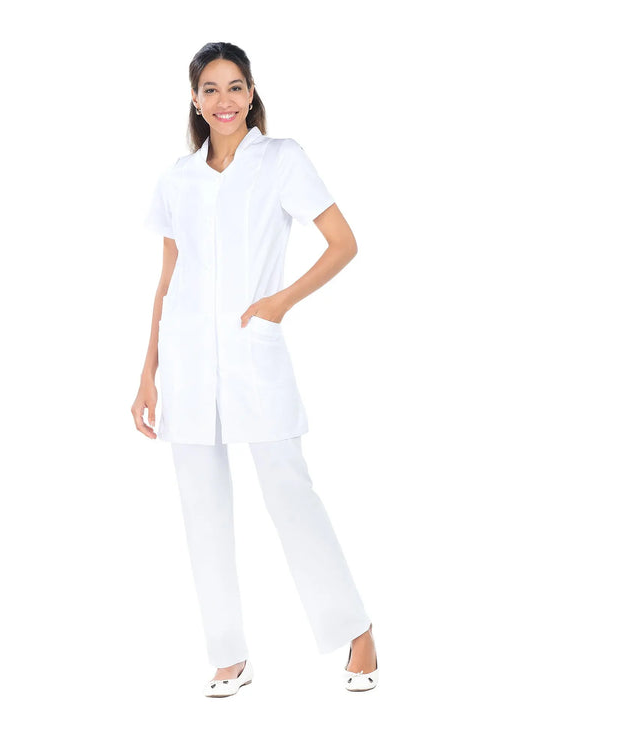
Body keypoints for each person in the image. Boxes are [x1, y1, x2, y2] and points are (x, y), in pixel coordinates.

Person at [132, 41, 378, 697]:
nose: (225, 100)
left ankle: (354, 629)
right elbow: (167, 280)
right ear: (194, 99)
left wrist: (278, 303)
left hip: (253, 352)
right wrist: (147, 373)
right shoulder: (177, 179)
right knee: (201, 510)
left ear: (251, 92)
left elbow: (343, 243)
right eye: (210, 89)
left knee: (289, 492)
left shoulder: (282, 159)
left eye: (235, 86)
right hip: (185, 362)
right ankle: (228, 656)